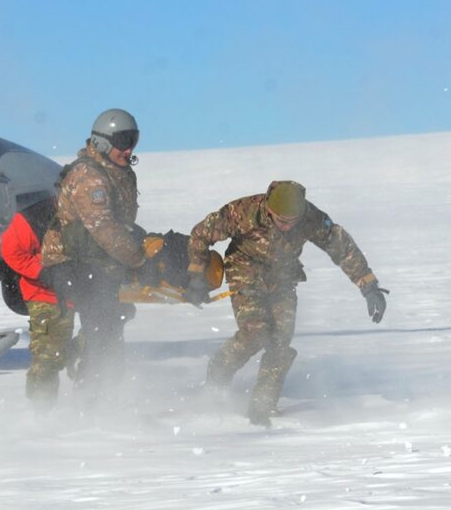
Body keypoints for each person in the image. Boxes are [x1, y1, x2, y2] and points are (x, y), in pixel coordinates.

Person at [184, 180, 388, 427]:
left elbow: (341, 247)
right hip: (245, 271)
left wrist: (369, 286)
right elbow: (201, 233)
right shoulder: (244, 212)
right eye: (282, 221)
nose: (287, 226)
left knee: (280, 341)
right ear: (270, 210)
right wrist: (196, 275)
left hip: (283, 277)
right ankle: (218, 374)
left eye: (293, 221)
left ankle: (263, 407)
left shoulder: (310, 217)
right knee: (256, 332)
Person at [40, 108, 144, 406]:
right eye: (123, 141)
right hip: (70, 264)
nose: (129, 149)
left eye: (133, 140)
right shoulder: (89, 177)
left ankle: (106, 392)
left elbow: (121, 225)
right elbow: (104, 229)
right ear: (102, 142)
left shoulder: (121, 173)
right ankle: (89, 400)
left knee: (113, 322)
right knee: (101, 326)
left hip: (98, 261)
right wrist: (139, 259)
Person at [0, 196, 74, 411]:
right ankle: (40, 412)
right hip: (43, 294)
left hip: (73, 295)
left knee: (74, 347)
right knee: (46, 357)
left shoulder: (92, 216)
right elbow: (12, 250)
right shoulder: (35, 217)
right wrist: (44, 272)